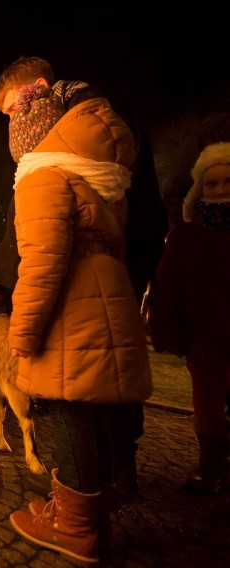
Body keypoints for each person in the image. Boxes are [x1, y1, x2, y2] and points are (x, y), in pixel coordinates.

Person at [0, 56, 152, 565]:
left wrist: (22, 333)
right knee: (93, 414)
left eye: (9, 113)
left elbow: (40, 263)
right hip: (107, 299)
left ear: (32, 100)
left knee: (64, 412)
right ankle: (95, 515)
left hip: (69, 311)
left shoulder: (45, 172)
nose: (9, 127)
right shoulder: (101, 169)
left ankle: (75, 526)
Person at [148, 142, 230, 494]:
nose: (220, 190)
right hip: (204, 339)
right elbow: (168, 285)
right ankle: (211, 467)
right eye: (211, 184)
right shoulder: (187, 235)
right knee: (207, 405)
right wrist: (166, 329)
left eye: (228, 181)